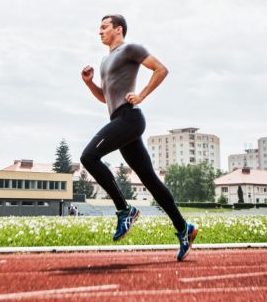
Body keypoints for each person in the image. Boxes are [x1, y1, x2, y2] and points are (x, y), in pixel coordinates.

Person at [80, 14, 198, 261]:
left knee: (89, 157)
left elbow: (161, 69)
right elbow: (106, 97)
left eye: (104, 27)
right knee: (150, 180)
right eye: (99, 28)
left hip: (130, 119)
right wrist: (90, 83)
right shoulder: (104, 61)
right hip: (119, 122)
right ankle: (183, 228)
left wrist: (142, 95)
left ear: (118, 29)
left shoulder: (130, 48)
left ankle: (125, 210)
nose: (99, 31)